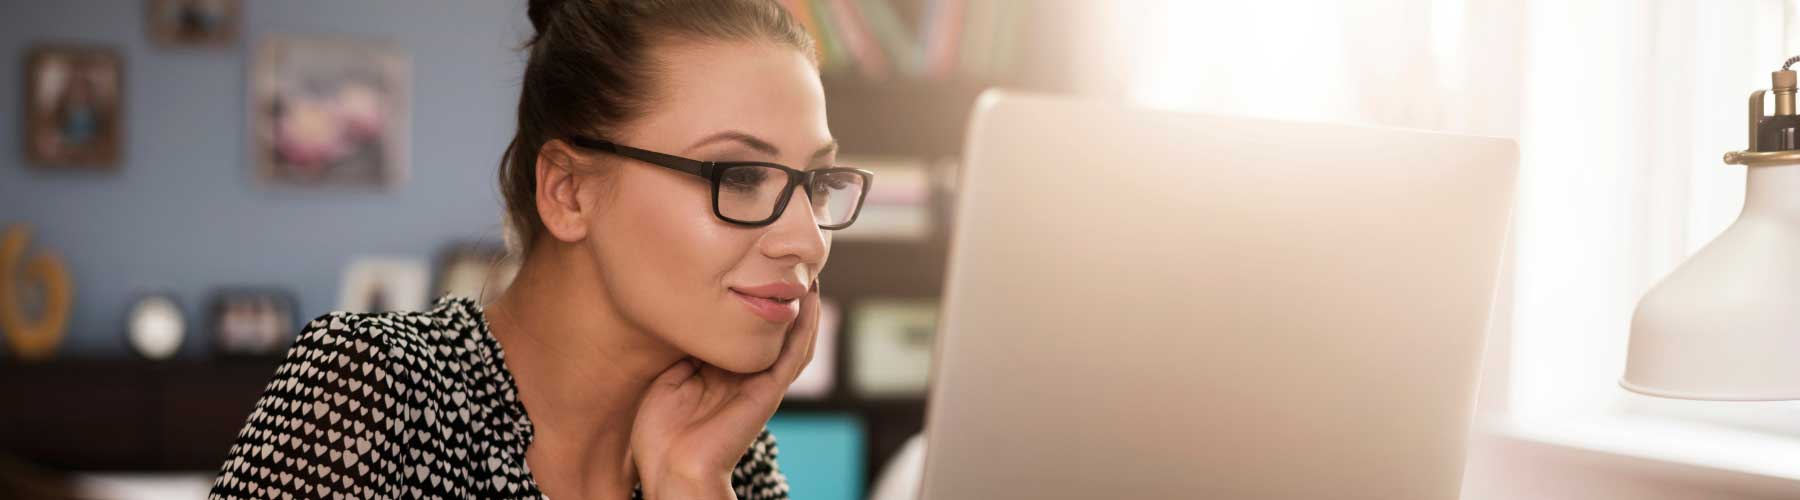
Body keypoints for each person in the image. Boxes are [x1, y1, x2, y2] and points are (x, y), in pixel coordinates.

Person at [208, 0, 872, 498]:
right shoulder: (373, 390)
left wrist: (691, 480)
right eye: (742, 176)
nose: (807, 241)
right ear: (569, 191)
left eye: (815, 184)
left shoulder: (726, 446)